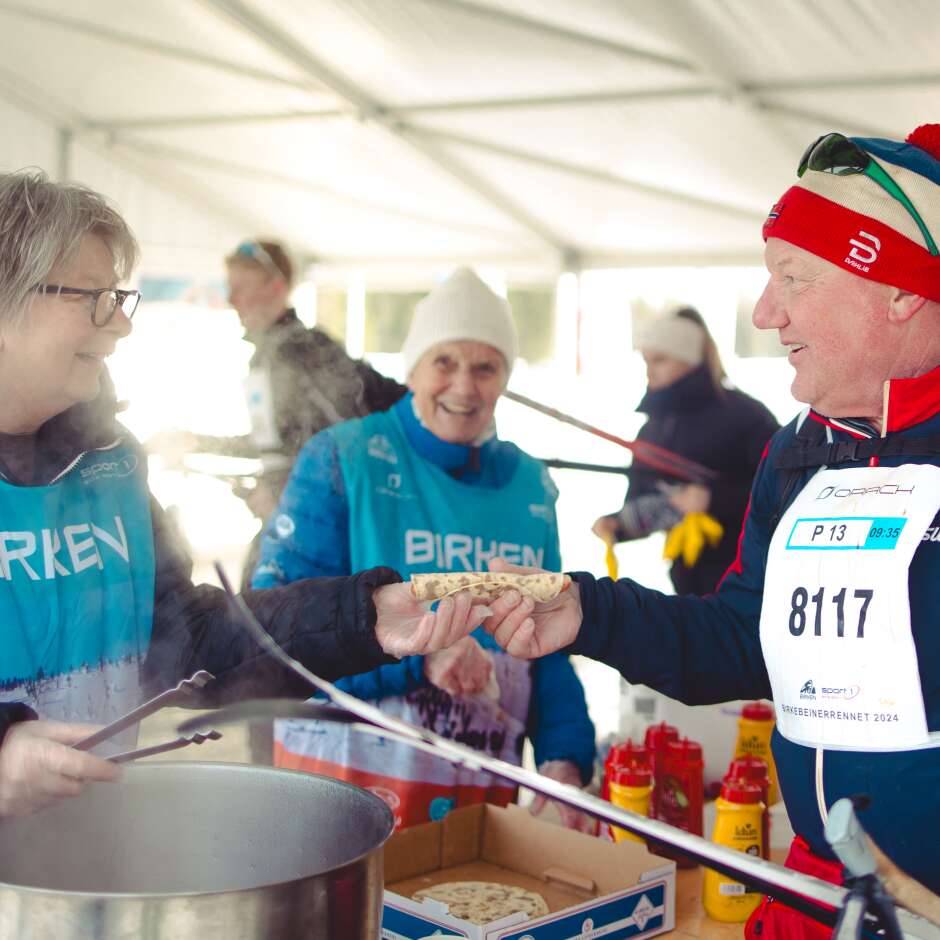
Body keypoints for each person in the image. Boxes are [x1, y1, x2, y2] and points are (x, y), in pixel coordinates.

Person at [483, 125, 940, 936]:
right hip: (824, 883)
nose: (766, 313)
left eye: (792, 278)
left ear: (900, 292)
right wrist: (585, 612)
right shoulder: (801, 452)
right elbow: (745, 638)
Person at [0, 172, 487, 820]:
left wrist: (368, 613)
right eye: (92, 297)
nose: (120, 324)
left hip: (85, 860)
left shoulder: (108, 463)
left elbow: (190, 642)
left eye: (119, 297)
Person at [254, 267, 596, 831]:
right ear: (412, 369)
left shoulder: (529, 486)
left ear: (505, 378)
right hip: (340, 799)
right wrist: (420, 656)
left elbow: (547, 645)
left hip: (477, 807)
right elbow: (275, 633)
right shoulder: (343, 458)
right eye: (445, 362)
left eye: (485, 367)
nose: (464, 387)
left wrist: (565, 762)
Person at [148, 238, 406, 581]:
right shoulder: (269, 354)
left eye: (240, 288)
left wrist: (290, 489)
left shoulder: (303, 348)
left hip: (316, 519)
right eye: (229, 288)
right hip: (292, 513)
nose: (231, 299)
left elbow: (363, 421)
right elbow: (275, 443)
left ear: (277, 287)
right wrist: (197, 443)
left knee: (263, 605)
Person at [592, 307, 778, 596]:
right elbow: (645, 502)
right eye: (646, 360)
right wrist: (618, 525)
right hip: (687, 589)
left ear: (691, 359)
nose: (649, 370)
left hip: (753, 584)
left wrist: (713, 498)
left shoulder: (745, 415)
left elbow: (783, 490)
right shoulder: (652, 430)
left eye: (661, 359)